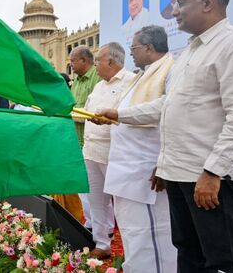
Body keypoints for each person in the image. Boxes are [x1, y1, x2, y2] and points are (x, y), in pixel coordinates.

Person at [97, 0, 233, 272]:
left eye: (180, 3)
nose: (173, 10)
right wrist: (120, 115)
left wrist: (213, 172)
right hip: (179, 175)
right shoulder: (186, 54)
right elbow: (167, 106)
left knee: (223, 261)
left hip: (210, 182)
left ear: (208, 2)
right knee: (188, 254)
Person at [103, 27, 177, 272]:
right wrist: (112, 117)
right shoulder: (142, 74)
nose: (131, 54)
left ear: (148, 48)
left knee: (151, 238)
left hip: (145, 171)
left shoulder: (170, 69)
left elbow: (166, 110)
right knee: (133, 234)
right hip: (126, 170)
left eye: (133, 48)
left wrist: (119, 115)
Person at [83, 42, 135, 260]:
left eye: (97, 61)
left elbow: (130, 116)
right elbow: (86, 113)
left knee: (122, 205)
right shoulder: (98, 86)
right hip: (92, 150)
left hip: (115, 153)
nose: (95, 66)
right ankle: (102, 244)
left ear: (111, 61)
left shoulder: (131, 82)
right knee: (96, 201)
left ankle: (132, 252)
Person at [52, 45, 100, 225]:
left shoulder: (97, 78)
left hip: (94, 140)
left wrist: (73, 115)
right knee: (84, 186)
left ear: (84, 60)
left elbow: (94, 111)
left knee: (95, 189)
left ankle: (100, 226)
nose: (70, 64)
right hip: (77, 140)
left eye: (73, 61)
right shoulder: (77, 81)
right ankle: (88, 222)